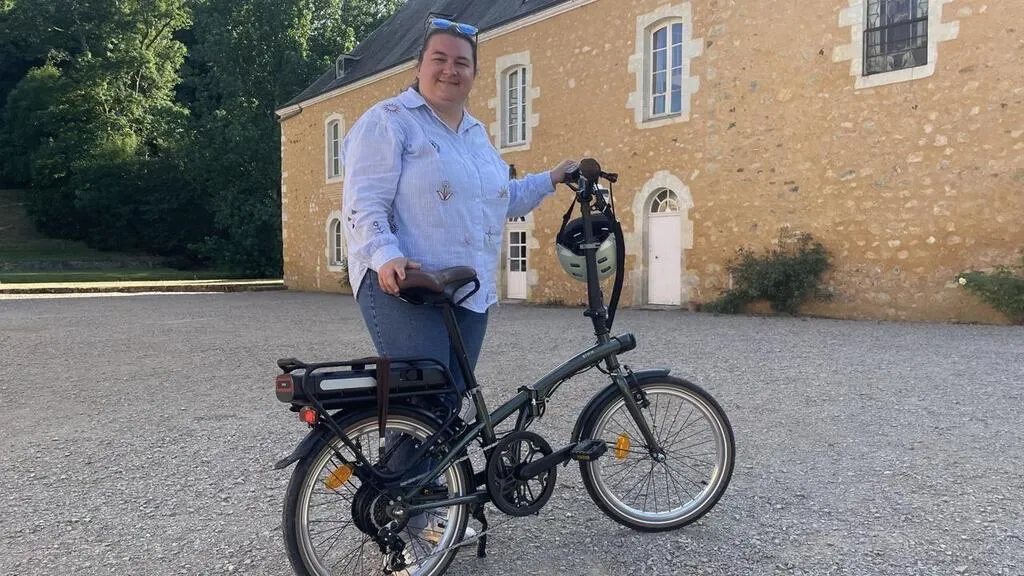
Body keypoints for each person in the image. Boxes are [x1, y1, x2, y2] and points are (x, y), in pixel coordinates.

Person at [339, 15, 577, 556]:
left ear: (473, 73)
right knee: (422, 404)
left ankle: (427, 513)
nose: (450, 70)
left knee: (446, 406)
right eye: (440, 59)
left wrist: (552, 178)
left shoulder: (474, 134)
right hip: (405, 285)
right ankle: (404, 523)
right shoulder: (389, 121)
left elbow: (502, 198)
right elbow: (363, 201)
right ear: (419, 66)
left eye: (461, 62)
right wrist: (386, 255)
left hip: (467, 293)